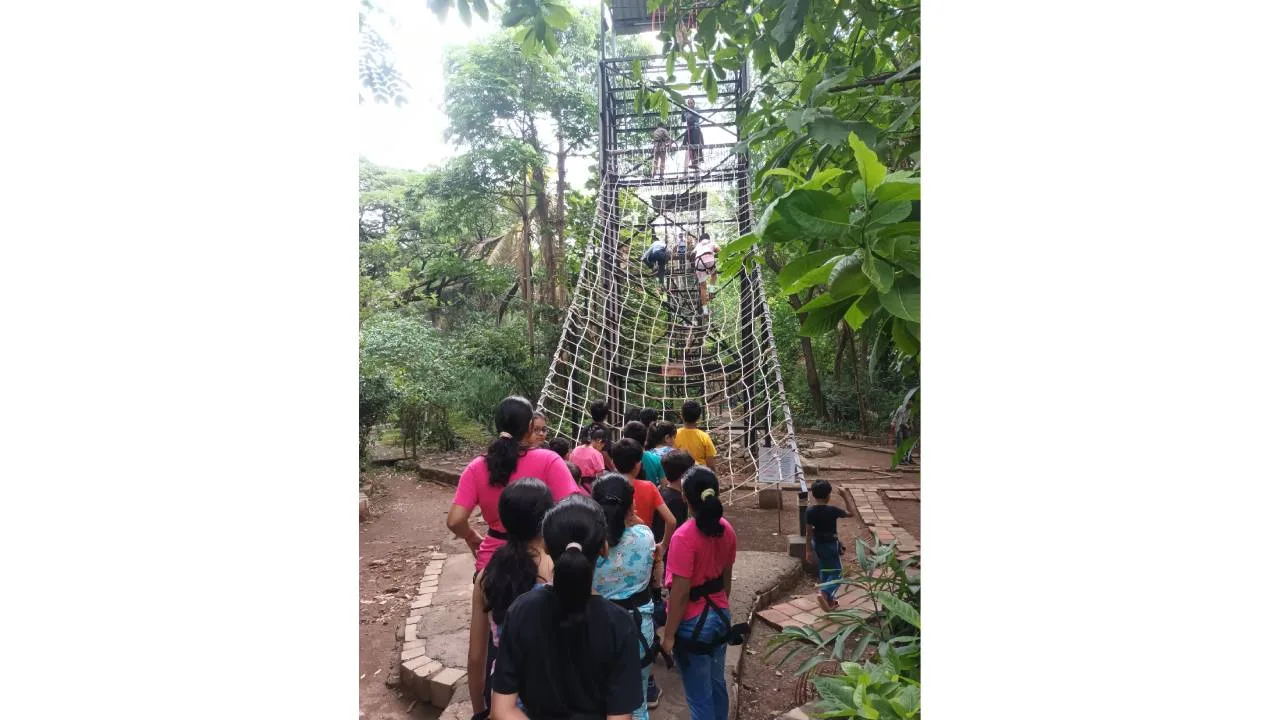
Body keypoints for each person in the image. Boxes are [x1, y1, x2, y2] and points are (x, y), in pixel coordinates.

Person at [490, 495, 644, 720]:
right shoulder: (619, 624)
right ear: (604, 548)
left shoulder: (521, 611)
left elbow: (502, 710)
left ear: (545, 545)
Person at [448, 396, 582, 575]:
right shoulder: (550, 461)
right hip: (540, 563)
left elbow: (455, 521)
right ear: (530, 426)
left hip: (492, 564)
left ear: (497, 426)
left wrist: (471, 537)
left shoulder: (476, 467)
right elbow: (573, 510)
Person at [468, 479, 555, 713]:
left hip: (504, 693)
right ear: (548, 518)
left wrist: (479, 710)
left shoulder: (488, 576)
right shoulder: (558, 569)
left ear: (504, 520)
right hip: (555, 692)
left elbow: (476, 657)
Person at [660, 467, 741, 720]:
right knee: (717, 684)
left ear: (686, 498)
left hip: (693, 623)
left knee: (698, 697)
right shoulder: (726, 529)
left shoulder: (684, 537)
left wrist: (669, 636)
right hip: (720, 614)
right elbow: (726, 580)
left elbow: (680, 593)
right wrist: (721, 607)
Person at [592, 474, 659, 720]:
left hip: (597, 629)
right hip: (638, 628)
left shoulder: (588, 545)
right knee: (636, 701)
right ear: (631, 506)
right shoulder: (644, 536)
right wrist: (631, 516)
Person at [611, 439, 676, 552]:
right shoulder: (649, 487)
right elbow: (671, 521)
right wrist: (663, 545)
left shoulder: (606, 486)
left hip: (613, 546)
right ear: (638, 465)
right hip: (643, 546)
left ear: (613, 463)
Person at [804, 480, 853, 612]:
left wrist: (808, 551)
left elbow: (808, 532)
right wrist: (845, 496)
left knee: (825, 569)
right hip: (830, 545)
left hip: (817, 544)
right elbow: (851, 513)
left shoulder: (809, 511)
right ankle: (824, 593)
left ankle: (829, 601)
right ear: (828, 496)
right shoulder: (832, 510)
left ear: (813, 495)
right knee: (838, 574)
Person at [674, 400, 717, 472]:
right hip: (700, 474)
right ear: (699, 417)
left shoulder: (674, 435)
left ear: (681, 415)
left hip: (681, 474)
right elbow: (711, 465)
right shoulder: (704, 437)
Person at [622, 421, 665, 487]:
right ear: (645, 441)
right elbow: (664, 484)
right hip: (650, 492)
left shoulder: (620, 458)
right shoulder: (656, 459)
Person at [582, 399, 617, 472]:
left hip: (587, 466)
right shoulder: (605, 431)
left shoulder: (585, 429)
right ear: (606, 415)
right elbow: (604, 453)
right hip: (600, 468)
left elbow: (582, 447)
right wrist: (613, 469)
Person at [692, 232, 720, 311]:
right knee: (714, 275)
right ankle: (711, 291)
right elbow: (719, 251)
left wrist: (695, 269)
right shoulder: (711, 242)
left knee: (702, 287)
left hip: (698, 262)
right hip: (709, 260)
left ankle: (705, 311)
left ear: (700, 240)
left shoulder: (698, 245)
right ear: (708, 238)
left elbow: (693, 254)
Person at [890, 397, 915, 464]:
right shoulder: (901, 408)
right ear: (908, 402)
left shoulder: (910, 410)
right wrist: (893, 424)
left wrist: (911, 424)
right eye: (911, 402)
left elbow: (909, 419)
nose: (912, 404)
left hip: (905, 426)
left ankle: (908, 458)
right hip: (899, 426)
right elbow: (897, 418)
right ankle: (900, 459)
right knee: (900, 443)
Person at [682, 99, 704, 175]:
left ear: (694, 103)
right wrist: (683, 111)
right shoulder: (687, 111)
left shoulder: (696, 109)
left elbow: (692, 118)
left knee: (696, 147)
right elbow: (683, 120)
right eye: (689, 103)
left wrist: (686, 111)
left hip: (695, 129)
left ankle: (697, 171)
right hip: (689, 130)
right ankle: (686, 172)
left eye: (691, 103)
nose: (690, 104)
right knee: (688, 147)